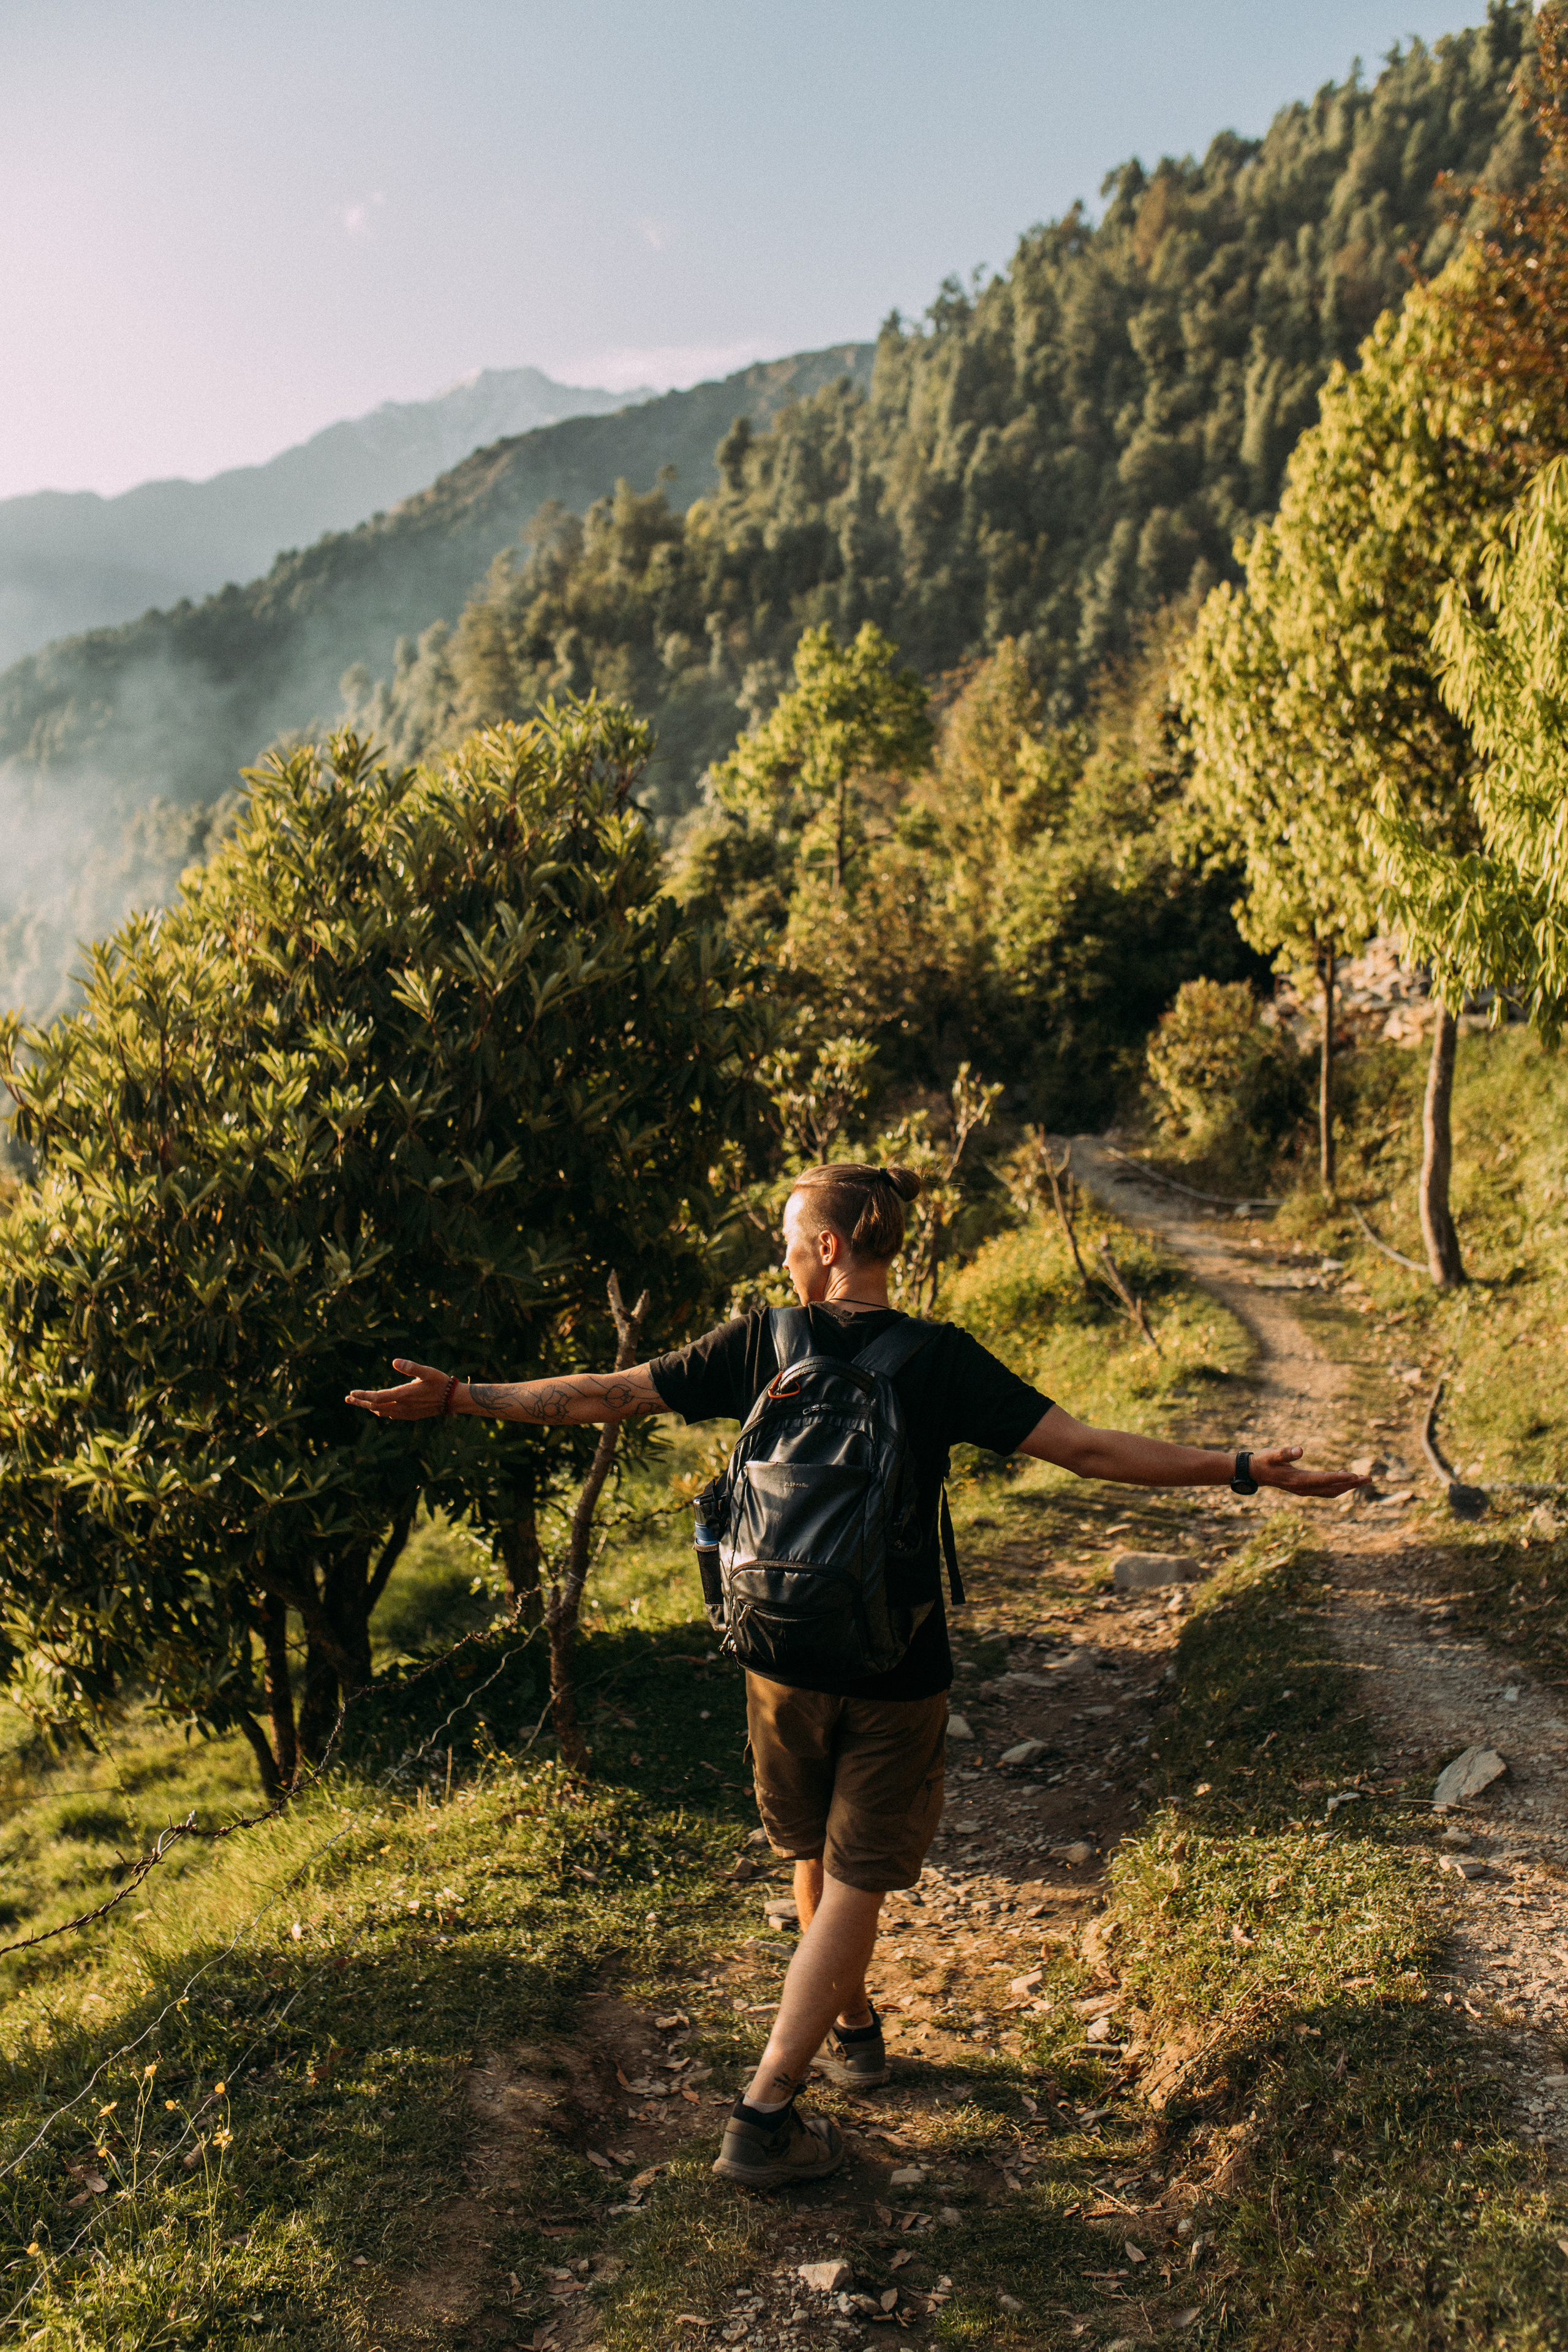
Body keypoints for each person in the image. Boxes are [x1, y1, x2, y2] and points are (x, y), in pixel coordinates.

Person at [347, 1161, 1365, 2192]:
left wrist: (464, 1399)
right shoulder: (938, 1360)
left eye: (791, 1236)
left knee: (813, 1854)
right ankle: (765, 2111)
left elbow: (606, 1398)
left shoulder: (761, 1342)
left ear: (830, 1247)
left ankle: (856, 2022)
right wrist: (1240, 1469)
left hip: (775, 1650)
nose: (782, 1254)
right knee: (859, 1878)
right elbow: (1091, 1453)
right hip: (895, 1661)